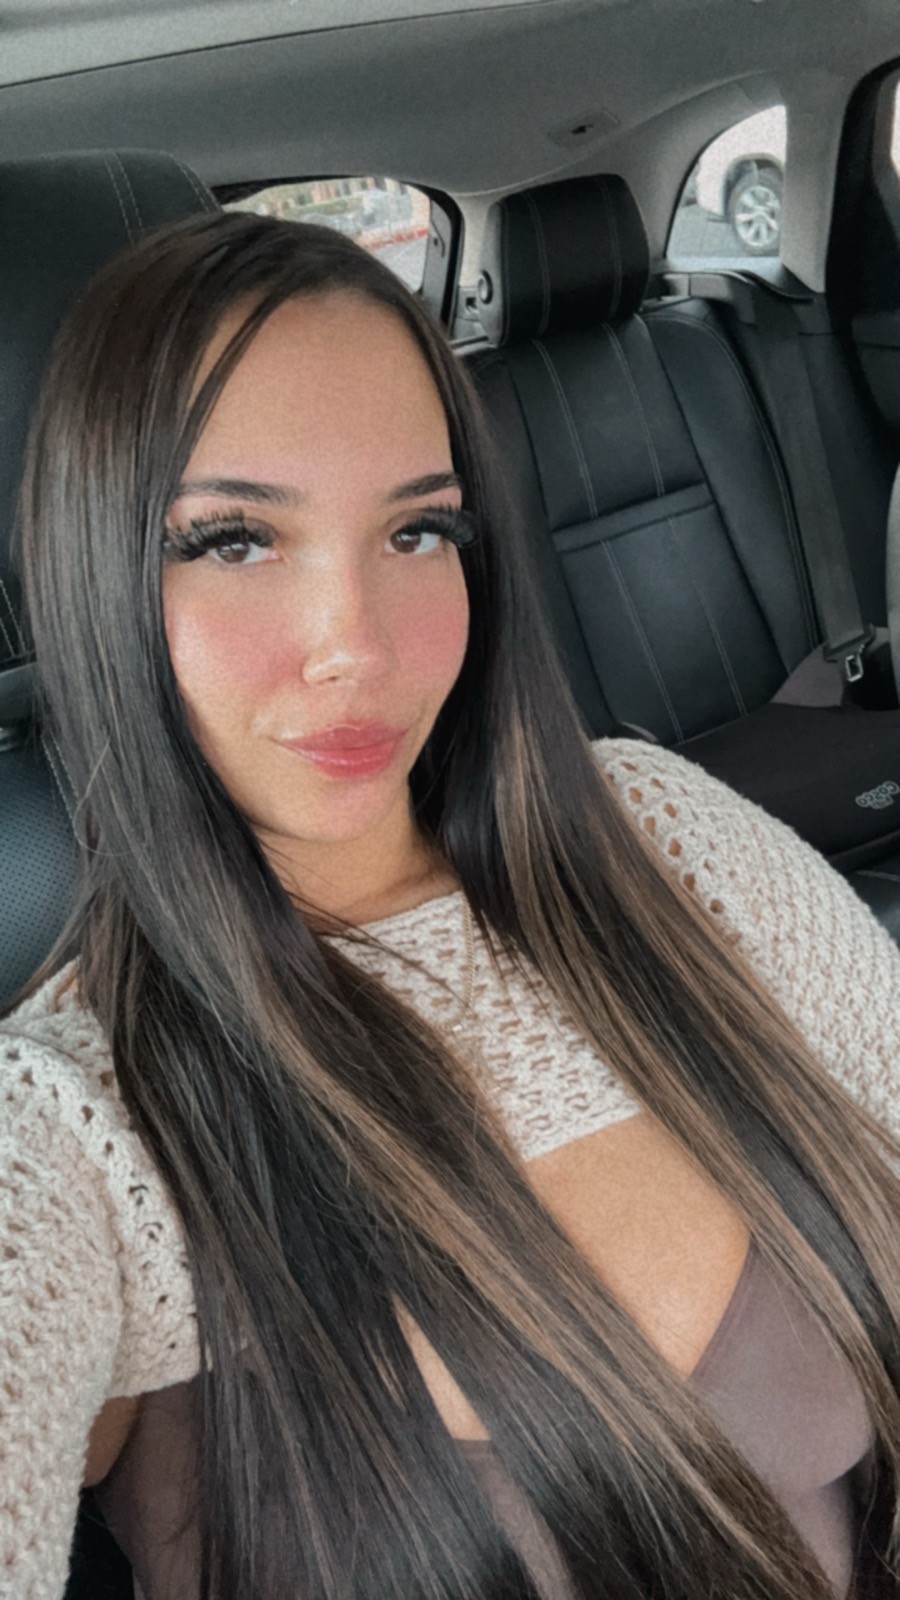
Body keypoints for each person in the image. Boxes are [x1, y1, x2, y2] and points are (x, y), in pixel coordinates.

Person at [1, 211, 899, 1600]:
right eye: (234, 541)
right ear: (91, 575)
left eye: (418, 529)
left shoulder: (664, 836)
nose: (355, 645)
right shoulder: (73, 1131)